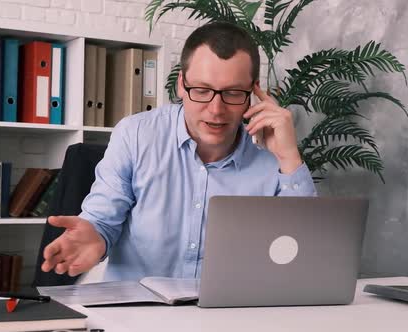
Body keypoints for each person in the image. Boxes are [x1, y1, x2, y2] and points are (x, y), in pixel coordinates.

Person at [41, 22, 317, 281]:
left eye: (233, 93)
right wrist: (95, 235)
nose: (216, 109)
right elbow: (103, 219)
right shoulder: (136, 135)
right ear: (181, 84)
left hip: (227, 318)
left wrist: (289, 158)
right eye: (202, 90)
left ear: (253, 92)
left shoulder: (272, 159)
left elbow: (303, 254)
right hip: (138, 315)